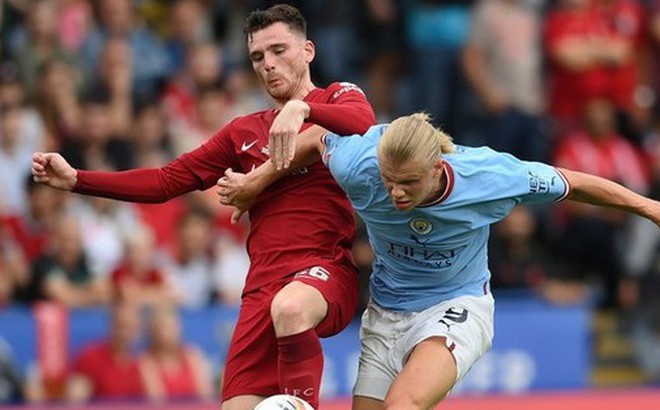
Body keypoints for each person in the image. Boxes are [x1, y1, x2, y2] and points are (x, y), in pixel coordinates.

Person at [31, 4, 376, 409]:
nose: (268, 64)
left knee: (292, 308)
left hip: (324, 271)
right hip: (261, 289)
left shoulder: (337, 97)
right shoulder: (242, 132)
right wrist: (77, 179)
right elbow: (165, 182)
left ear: (308, 51)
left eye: (279, 50)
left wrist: (304, 109)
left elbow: (363, 122)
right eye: (257, 57)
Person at [217, 112, 660, 409]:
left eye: (408, 182)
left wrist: (647, 208)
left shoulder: (489, 177)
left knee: (403, 405)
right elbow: (315, 138)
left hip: (456, 305)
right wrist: (256, 182)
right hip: (386, 311)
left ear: (436, 166)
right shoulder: (360, 164)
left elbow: (574, 183)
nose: (396, 194)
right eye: (390, 182)